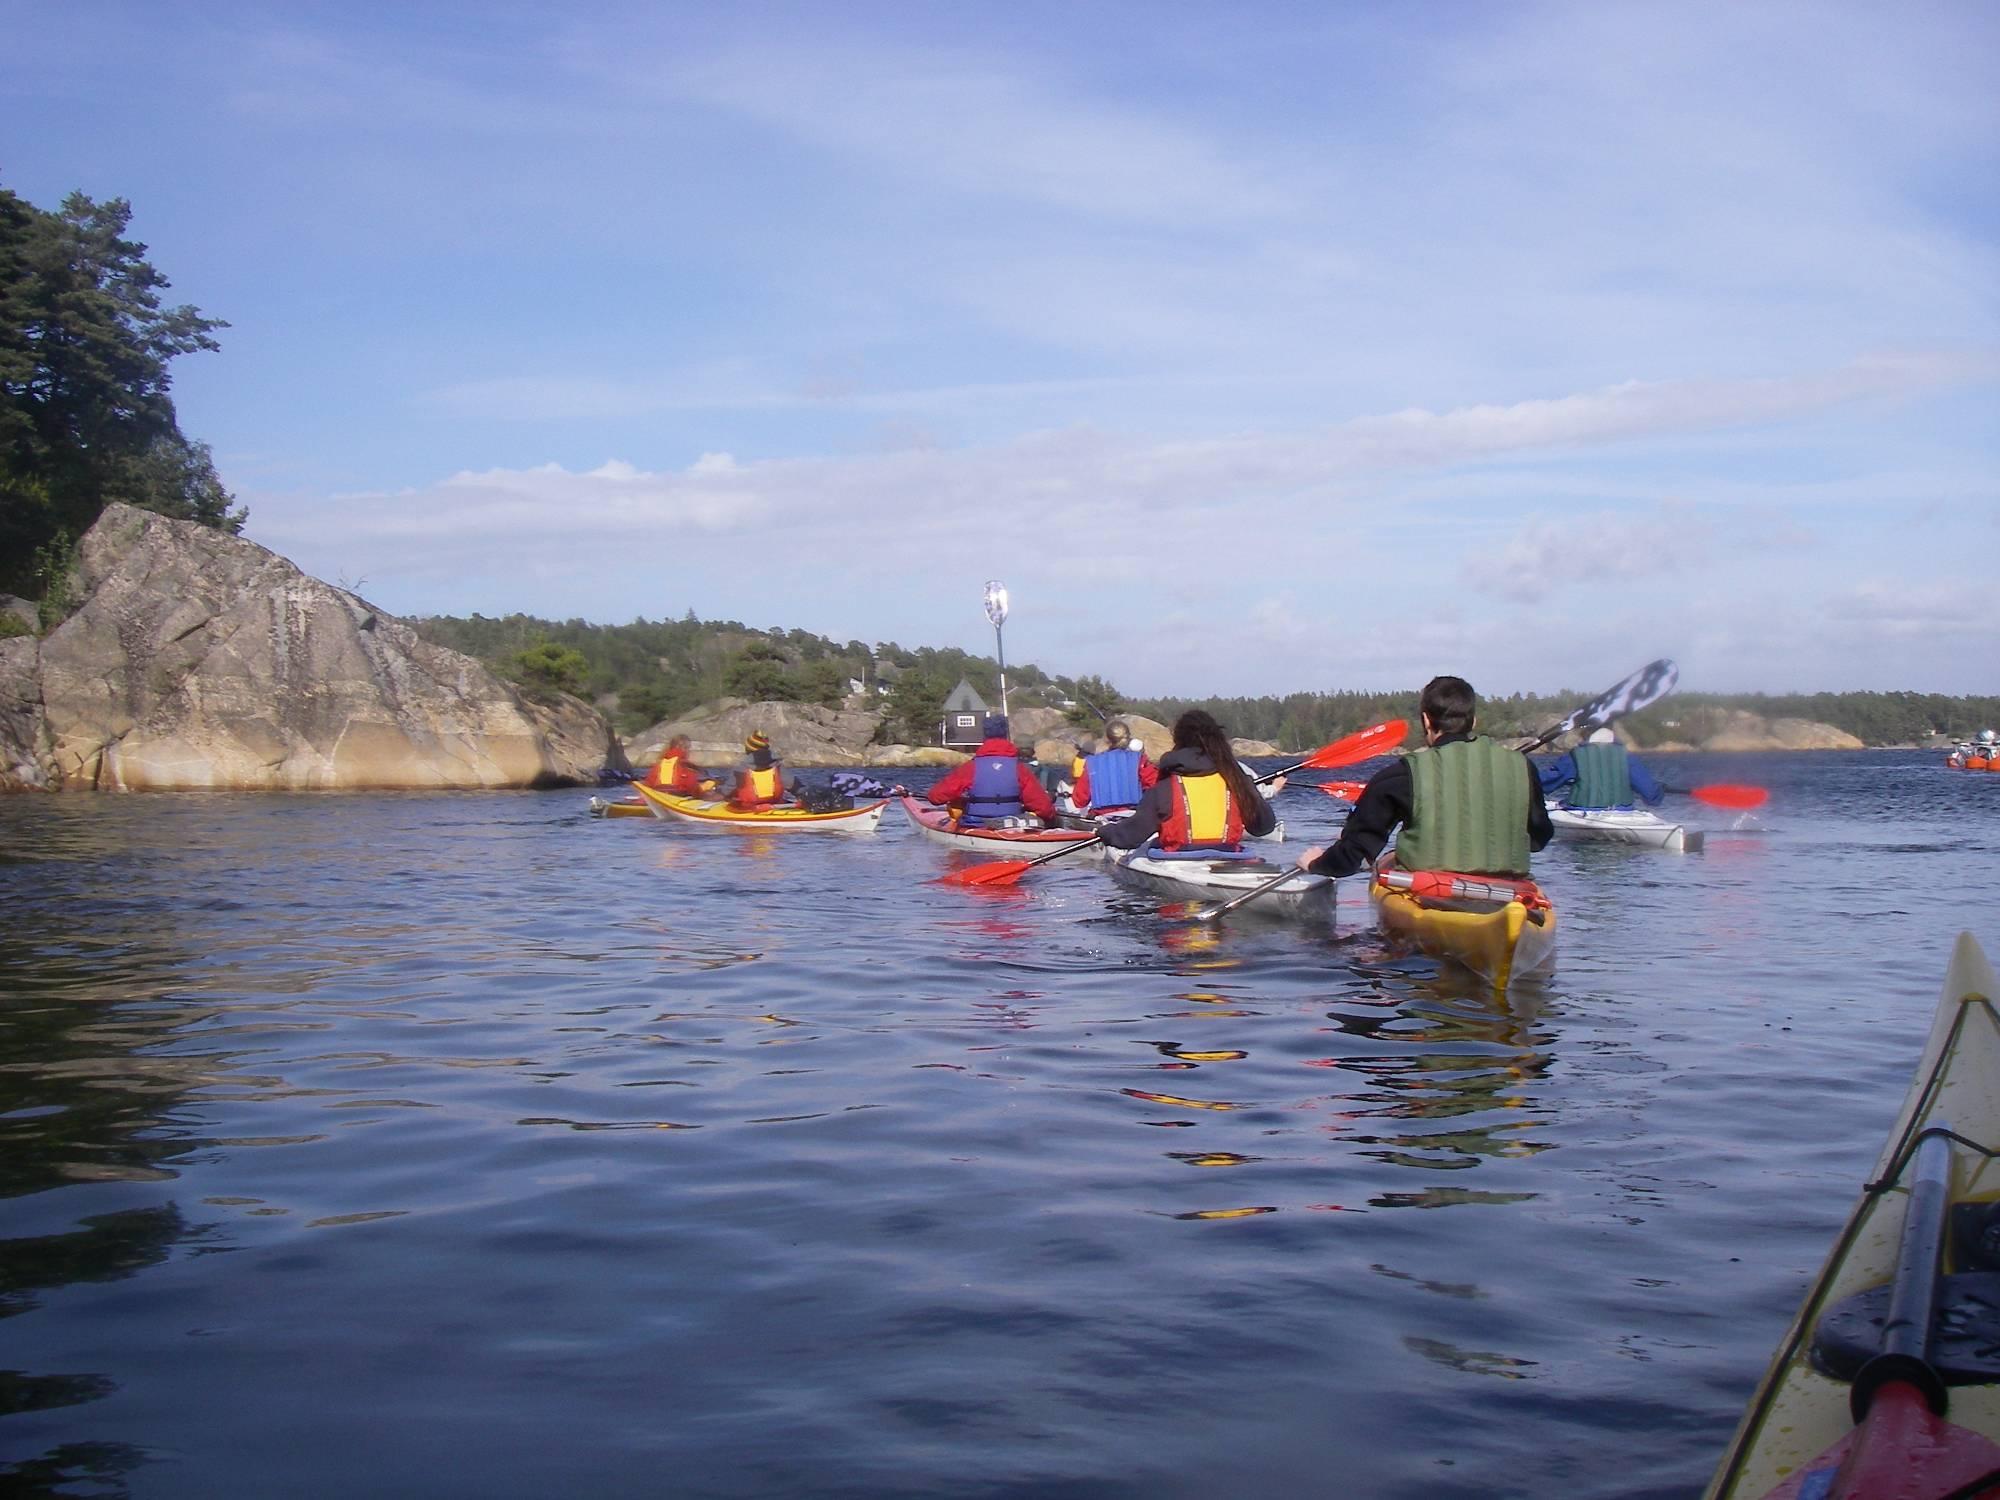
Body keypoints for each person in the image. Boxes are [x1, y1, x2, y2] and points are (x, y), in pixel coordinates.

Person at [1295, 675, 1552, 879]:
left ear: (1426, 721)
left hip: (1432, 895)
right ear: (1473, 721)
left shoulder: (1399, 776)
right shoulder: (1522, 767)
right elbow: (1539, 839)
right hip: (1508, 898)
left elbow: (1354, 856)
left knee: (1390, 860)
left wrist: (1316, 863)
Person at [1099, 710, 1283, 853]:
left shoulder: (1165, 787)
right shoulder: (1237, 780)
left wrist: (1106, 833)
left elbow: (1131, 837)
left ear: (1178, 741)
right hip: (1228, 858)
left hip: (1178, 858)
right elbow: (1263, 827)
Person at [927, 714, 1058, 827]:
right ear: (1006, 736)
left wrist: (960, 797)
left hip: (976, 824)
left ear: (984, 737)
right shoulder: (1019, 769)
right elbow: (1045, 809)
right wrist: (1051, 816)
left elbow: (935, 797)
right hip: (1011, 823)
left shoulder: (970, 768)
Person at [1537, 726, 1664, 808]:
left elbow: (1547, 781)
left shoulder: (1574, 756)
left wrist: (1529, 782)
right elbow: (1650, 794)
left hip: (1583, 810)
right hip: (1623, 812)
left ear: (1587, 736)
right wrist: (1660, 788)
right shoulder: (1627, 756)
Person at [1070, 718, 1159, 817]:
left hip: (1102, 817)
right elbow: (1155, 785)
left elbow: (1079, 800)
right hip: (1134, 816)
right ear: (1128, 737)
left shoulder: (1093, 763)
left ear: (1107, 740)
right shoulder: (1139, 760)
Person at [730, 731, 792, 807]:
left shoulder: (741, 768)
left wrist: (718, 793)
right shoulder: (778, 766)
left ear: (748, 749)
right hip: (774, 804)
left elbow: (728, 789)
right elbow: (792, 784)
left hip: (747, 808)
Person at [645, 735, 714, 795]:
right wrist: (707, 786)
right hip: (677, 799)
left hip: (660, 797)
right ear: (680, 747)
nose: (688, 751)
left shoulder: (659, 764)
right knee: (710, 786)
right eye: (687, 748)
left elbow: (649, 784)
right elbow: (693, 789)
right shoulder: (685, 765)